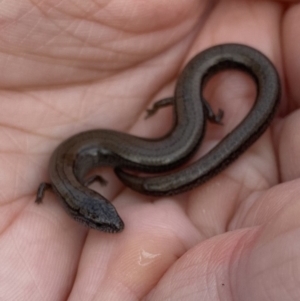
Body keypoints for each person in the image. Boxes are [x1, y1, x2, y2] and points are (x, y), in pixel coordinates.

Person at [1, 1, 299, 300]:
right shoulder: (66, 187)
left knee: (181, 128)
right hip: (138, 148)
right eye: (100, 222)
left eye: (104, 217)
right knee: (178, 132)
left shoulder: (69, 184)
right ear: (80, 214)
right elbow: (47, 187)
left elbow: (52, 186)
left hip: (161, 145)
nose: (113, 224)